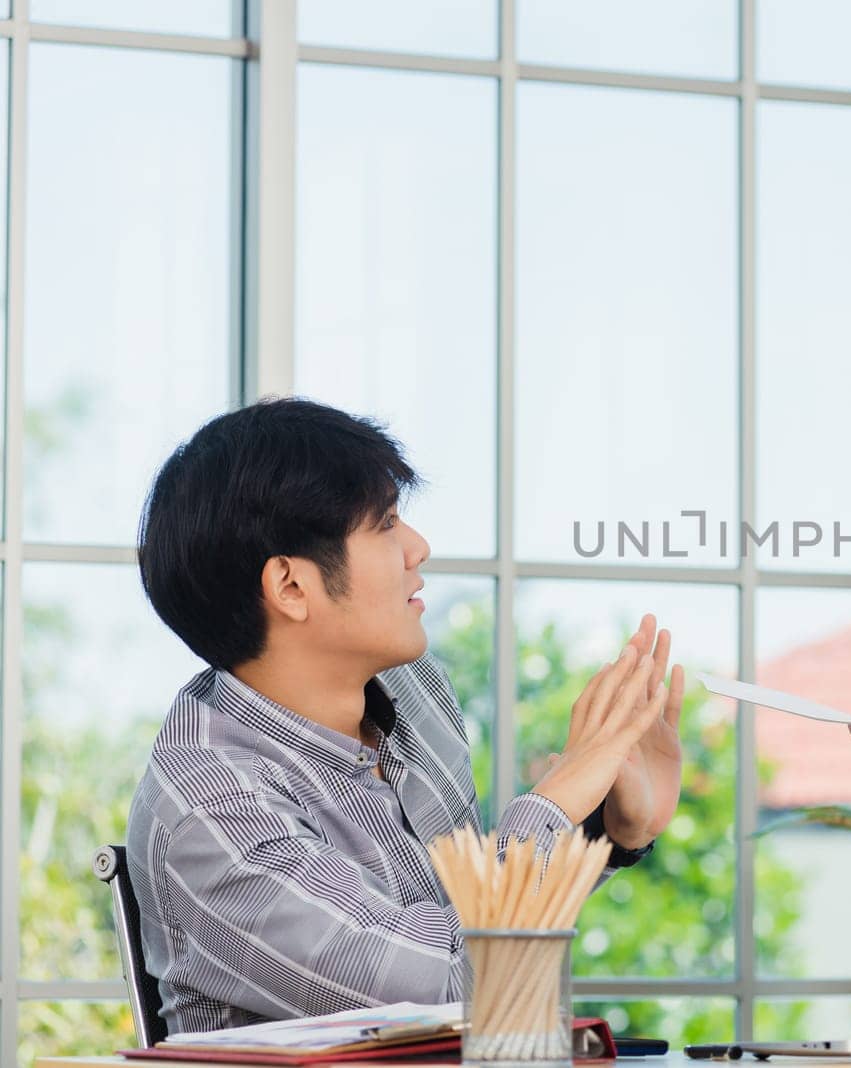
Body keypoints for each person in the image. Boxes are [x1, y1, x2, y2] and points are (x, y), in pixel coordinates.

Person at [127, 398, 685, 1033]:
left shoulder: (411, 691)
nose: (418, 548)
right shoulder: (208, 808)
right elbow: (458, 987)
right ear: (289, 587)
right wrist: (558, 802)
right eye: (387, 524)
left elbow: (454, 921)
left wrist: (610, 831)